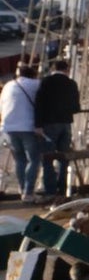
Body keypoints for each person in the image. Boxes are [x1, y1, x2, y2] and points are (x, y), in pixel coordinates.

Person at [35, 59, 81, 198]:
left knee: (48, 158)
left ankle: (50, 190)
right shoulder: (71, 83)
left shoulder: (46, 82)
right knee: (64, 157)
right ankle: (63, 188)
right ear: (67, 69)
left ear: (53, 69)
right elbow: (76, 108)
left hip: (49, 124)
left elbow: (39, 104)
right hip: (66, 124)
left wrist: (38, 125)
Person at [0, 64, 44, 202]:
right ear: (33, 74)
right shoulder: (36, 84)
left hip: (9, 127)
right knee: (34, 159)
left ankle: (22, 188)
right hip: (27, 127)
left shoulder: (7, 86)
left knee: (19, 160)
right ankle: (28, 192)